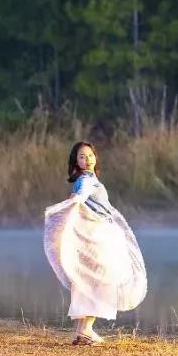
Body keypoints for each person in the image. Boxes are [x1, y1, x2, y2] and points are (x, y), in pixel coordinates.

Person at [43, 141, 148, 345]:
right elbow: (79, 197)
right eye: (82, 156)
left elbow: (81, 199)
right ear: (76, 162)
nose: (87, 159)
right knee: (101, 281)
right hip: (97, 236)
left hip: (98, 233)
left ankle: (82, 331)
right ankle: (86, 329)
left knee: (89, 281)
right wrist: (65, 207)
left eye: (90, 155)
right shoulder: (87, 179)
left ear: (95, 157)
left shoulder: (89, 179)